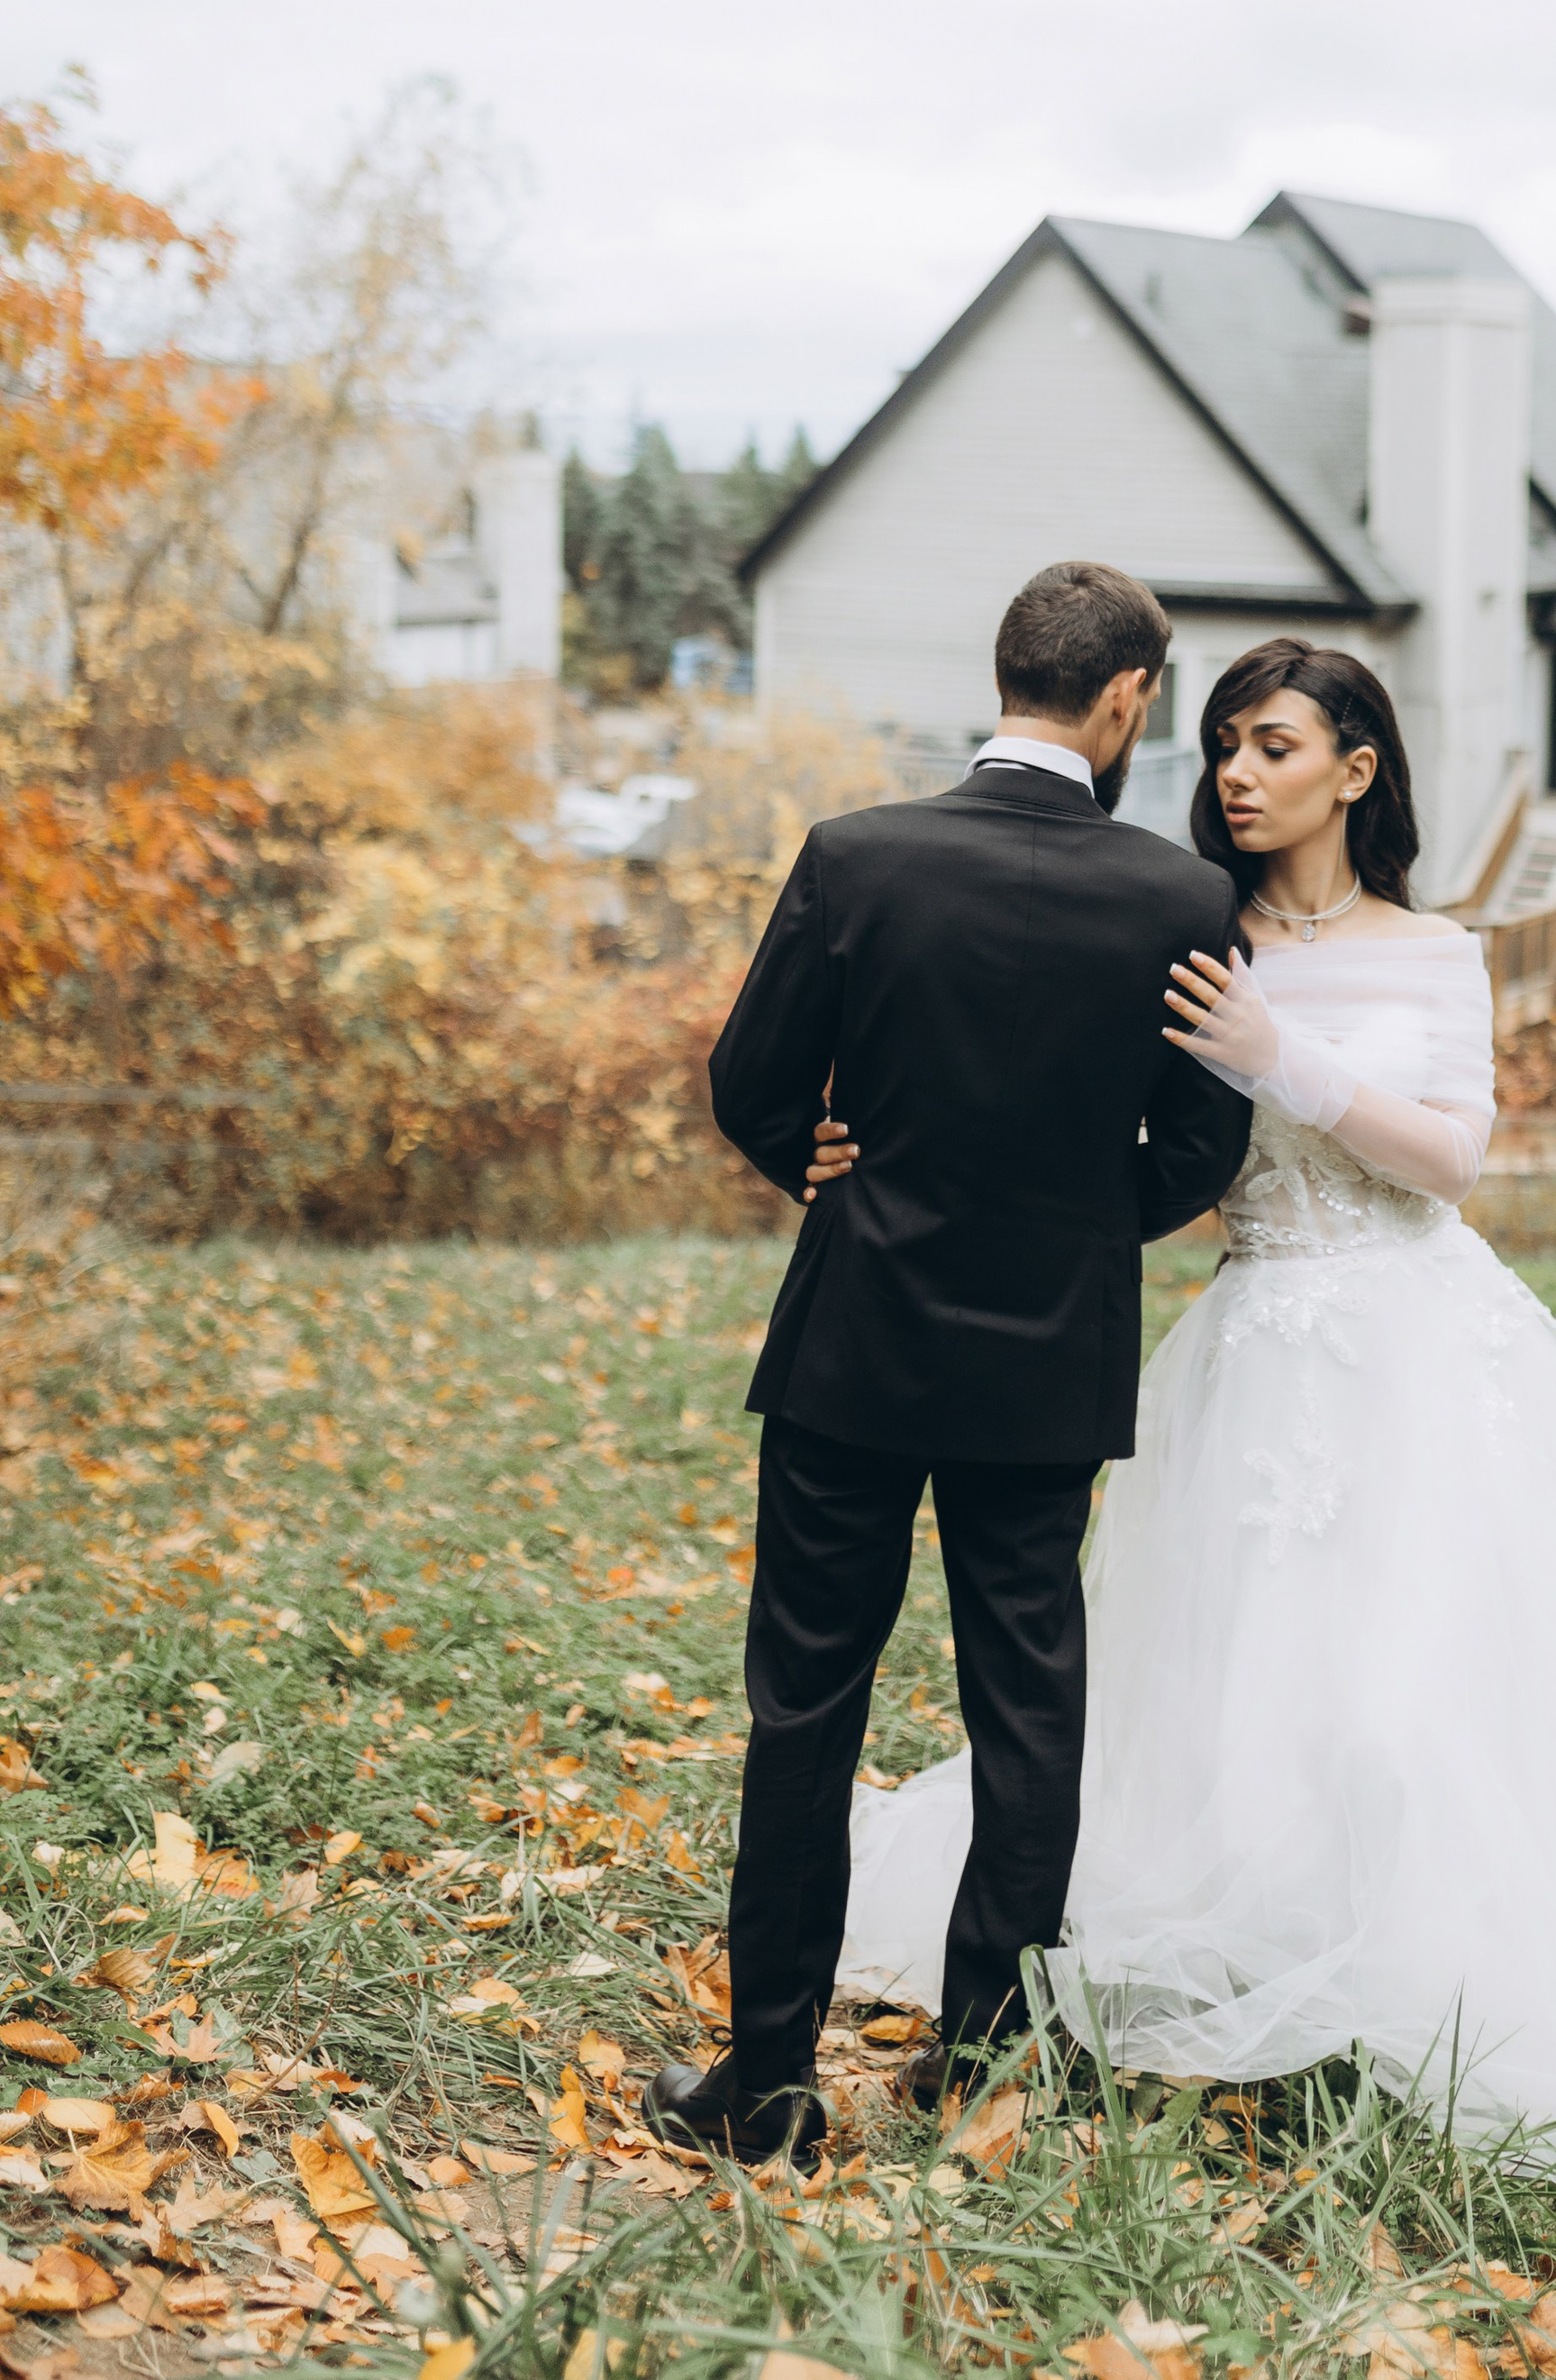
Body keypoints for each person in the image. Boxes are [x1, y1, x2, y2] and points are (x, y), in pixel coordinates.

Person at [827, 639, 1556, 2195]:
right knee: (1237, 1688)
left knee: (1404, 1701)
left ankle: (1440, 1973)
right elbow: (1114, 1145)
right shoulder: (1184, 931)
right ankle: (1264, 1957)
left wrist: (1276, 1055)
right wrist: (884, 1153)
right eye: (1222, 743)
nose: (1237, 771)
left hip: (1425, 1352)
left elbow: (1449, 1162)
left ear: (1355, 770)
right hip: (1256, 1349)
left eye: (1275, 745)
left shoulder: (1437, 954)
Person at [643, 561, 1251, 2165]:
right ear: (1124, 699)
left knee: (808, 1710)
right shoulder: (1183, 903)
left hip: (854, 1343)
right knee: (1028, 1705)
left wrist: (819, 1162)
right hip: (1047, 1367)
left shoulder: (859, 859)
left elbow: (748, 1080)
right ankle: (977, 2067)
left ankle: (767, 2082)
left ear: (1011, 679)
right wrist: (1069, 1226)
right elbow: (1200, 1143)